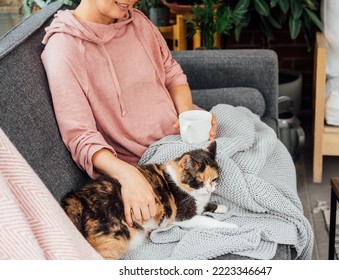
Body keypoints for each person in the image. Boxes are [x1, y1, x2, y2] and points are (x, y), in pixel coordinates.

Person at [41, 0, 216, 228]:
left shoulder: (138, 21)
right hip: (156, 163)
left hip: (185, 141)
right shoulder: (64, 49)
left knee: (250, 132)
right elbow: (80, 137)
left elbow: (172, 74)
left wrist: (188, 116)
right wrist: (128, 175)